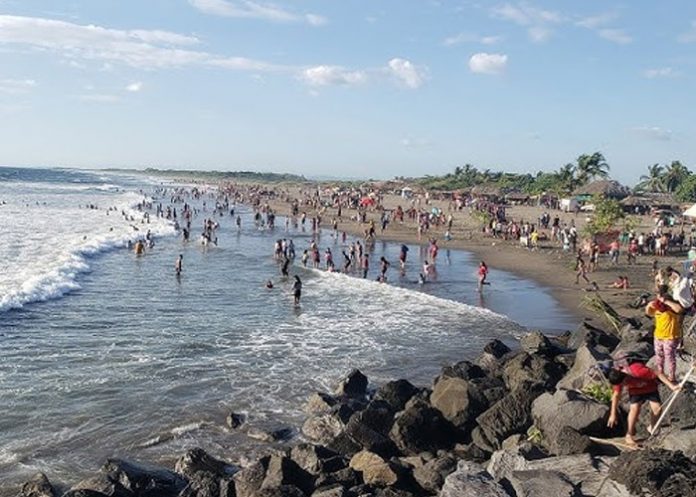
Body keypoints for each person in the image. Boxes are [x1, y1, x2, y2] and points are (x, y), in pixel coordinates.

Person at [607, 359, 680, 447]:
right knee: (634, 409)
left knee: (658, 409)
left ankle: (652, 428)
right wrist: (612, 414)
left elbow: (658, 373)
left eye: (623, 382)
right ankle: (629, 435)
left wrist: (671, 386)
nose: (623, 385)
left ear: (625, 377)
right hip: (635, 391)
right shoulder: (617, 379)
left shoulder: (638, 371)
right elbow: (616, 396)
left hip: (650, 387)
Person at [646, 285, 683, 382]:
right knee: (659, 356)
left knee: (669, 357)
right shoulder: (657, 309)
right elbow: (649, 313)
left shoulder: (671, 310)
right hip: (658, 336)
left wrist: (666, 301)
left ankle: (672, 377)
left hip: (670, 337)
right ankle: (661, 374)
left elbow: (679, 309)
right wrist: (649, 305)